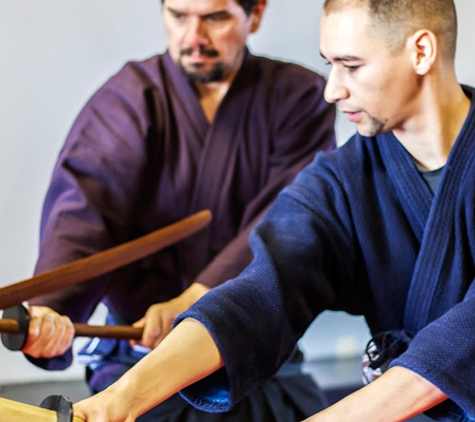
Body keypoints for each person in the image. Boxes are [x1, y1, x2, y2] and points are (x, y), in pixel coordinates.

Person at [68, 0, 475, 421]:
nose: (332, 90)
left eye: (350, 66)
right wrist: (122, 397)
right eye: (329, 65)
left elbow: (466, 337)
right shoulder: (342, 180)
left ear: (422, 52)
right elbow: (262, 291)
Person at [21, 0, 336, 420]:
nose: (193, 37)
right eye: (178, 15)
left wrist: (197, 301)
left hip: (257, 356)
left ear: (255, 14)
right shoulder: (130, 97)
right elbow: (85, 204)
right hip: (137, 355)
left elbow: (287, 219)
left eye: (215, 17)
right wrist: (50, 308)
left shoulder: (299, 98)